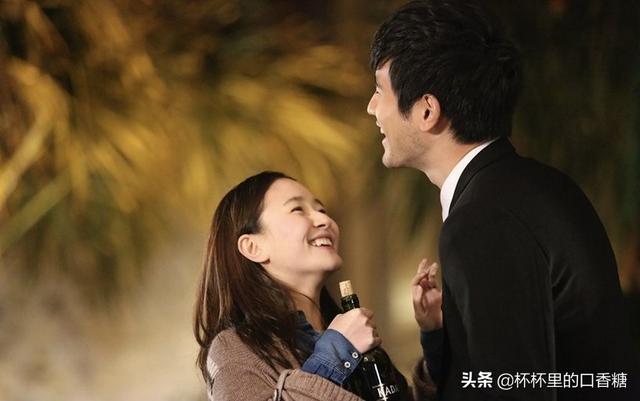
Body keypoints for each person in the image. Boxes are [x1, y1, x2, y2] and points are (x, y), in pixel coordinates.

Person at [366, 1, 639, 401]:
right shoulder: (533, 185)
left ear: (427, 110)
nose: (372, 108)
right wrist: (439, 334)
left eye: (379, 91)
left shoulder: (481, 220)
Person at [193, 172, 431, 401]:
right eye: (297, 209)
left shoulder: (344, 331)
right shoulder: (234, 348)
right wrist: (338, 351)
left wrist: (434, 334)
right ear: (253, 247)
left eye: (322, 210)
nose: (325, 220)